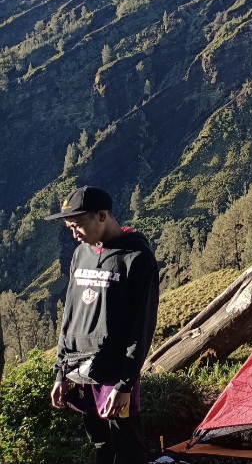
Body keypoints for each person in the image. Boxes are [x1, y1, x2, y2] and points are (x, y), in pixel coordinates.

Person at [47, 186, 159, 464]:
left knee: (127, 445)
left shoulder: (137, 258)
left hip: (114, 373)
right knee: (100, 444)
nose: (74, 234)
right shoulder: (80, 254)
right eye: (69, 227)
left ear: (101, 216)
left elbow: (142, 326)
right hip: (80, 369)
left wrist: (125, 384)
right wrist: (61, 371)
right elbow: (70, 315)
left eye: (77, 225)